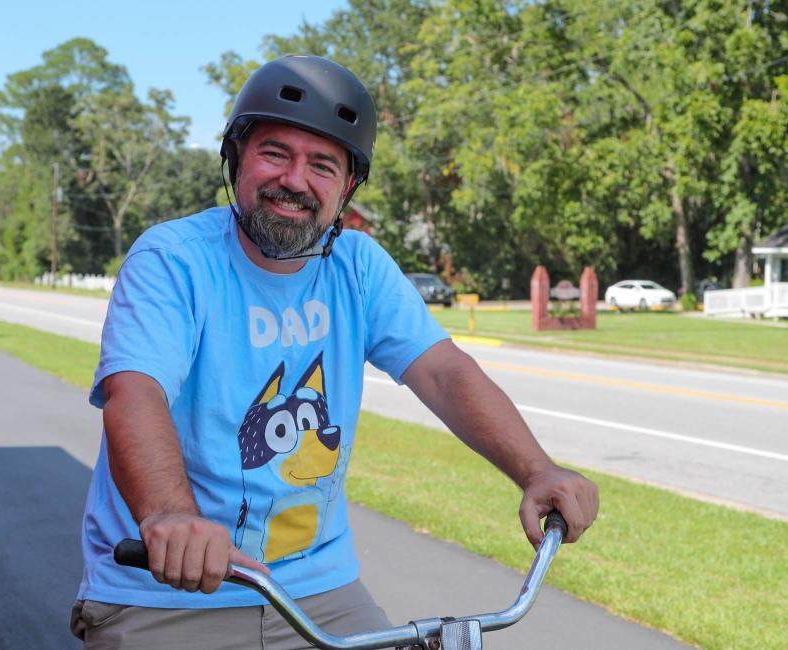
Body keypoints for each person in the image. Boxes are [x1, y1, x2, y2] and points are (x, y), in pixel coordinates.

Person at [71, 55, 599, 648]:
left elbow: (445, 373)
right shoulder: (173, 260)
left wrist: (537, 470)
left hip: (317, 591)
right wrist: (171, 515)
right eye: (275, 153)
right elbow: (135, 391)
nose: (295, 180)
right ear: (235, 159)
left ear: (347, 187)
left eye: (322, 164)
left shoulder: (360, 267)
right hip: (168, 589)